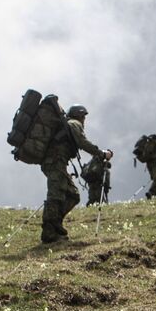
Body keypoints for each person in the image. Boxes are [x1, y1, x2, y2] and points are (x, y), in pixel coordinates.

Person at [40, 104, 112, 243]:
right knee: (55, 195)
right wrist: (102, 153)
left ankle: (55, 225)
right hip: (55, 162)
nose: (84, 120)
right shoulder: (74, 123)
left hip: (56, 163)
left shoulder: (67, 124)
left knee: (73, 195)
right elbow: (82, 142)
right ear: (78, 115)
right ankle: (49, 233)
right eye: (83, 116)